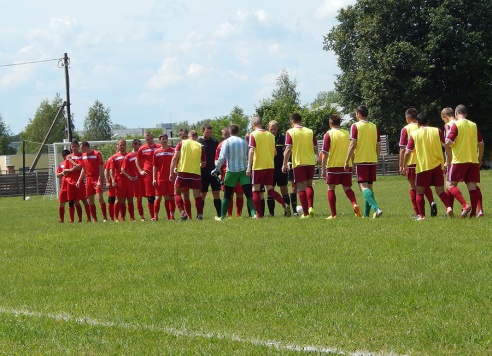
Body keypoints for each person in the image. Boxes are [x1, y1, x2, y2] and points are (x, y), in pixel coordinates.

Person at [403, 113, 453, 220]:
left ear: (417, 123)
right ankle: (448, 208)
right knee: (440, 191)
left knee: (420, 193)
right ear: (428, 122)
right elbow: (446, 146)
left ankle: (422, 216)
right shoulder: (437, 131)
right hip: (437, 165)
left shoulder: (414, 134)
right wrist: (449, 158)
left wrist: (404, 165)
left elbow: (407, 152)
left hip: (423, 166)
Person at [441, 107, 484, 217]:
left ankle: (465, 205)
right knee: (472, 187)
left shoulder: (456, 124)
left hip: (459, 160)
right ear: (466, 113)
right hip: (473, 160)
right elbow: (481, 143)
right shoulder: (473, 125)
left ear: (456, 113)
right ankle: (474, 213)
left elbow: (448, 142)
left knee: (450, 185)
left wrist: (443, 144)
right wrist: (479, 158)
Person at [344, 105, 383, 218]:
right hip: (372, 159)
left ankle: (377, 208)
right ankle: (366, 214)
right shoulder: (374, 127)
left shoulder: (355, 126)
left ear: (358, 114)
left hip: (361, 160)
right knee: (369, 188)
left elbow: (352, 144)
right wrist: (376, 157)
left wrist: (347, 160)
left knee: (363, 187)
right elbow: (378, 145)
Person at [247, 116, 290, 218]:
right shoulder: (270, 136)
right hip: (270, 166)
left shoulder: (253, 135)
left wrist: (249, 166)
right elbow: (275, 152)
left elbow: (251, 150)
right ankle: (284, 204)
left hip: (258, 166)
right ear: (262, 124)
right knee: (270, 190)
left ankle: (259, 215)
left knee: (255, 190)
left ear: (253, 125)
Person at [399, 108, 437, 218]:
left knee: (413, 188)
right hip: (424, 161)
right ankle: (432, 201)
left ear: (407, 119)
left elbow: (402, 149)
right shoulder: (425, 127)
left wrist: (402, 165)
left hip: (411, 161)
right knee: (424, 185)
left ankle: (417, 212)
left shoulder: (405, 129)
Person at [321, 114, 361, 219]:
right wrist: (351, 163)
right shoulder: (347, 133)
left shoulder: (328, 134)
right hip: (346, 165)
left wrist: (323, 169)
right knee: (347, 188)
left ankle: (333, 214)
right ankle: (354, 204)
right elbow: (352, 149)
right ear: (340, 123)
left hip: (333, 165)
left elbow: (324, 153)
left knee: (330, 188)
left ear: (330, 124)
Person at [214, 124, 256, 220]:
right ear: (238, 131)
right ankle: (254, 214)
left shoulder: (227, 142)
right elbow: (249, 154)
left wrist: (217, 168)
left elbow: (222, 157)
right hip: (243, 171)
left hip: (231, 171)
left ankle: (223, 216)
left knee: (227, 194)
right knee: (248, 194)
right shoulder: (244, 142)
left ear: (229, 132)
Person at [282, 113, 317, 218]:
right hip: (310, 162)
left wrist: (284, 163)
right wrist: (314, 156)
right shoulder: (310, 131)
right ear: (301, 120)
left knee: (301, 187)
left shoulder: (290, 132)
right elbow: (315, 147)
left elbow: (288, 149)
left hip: (299, 162)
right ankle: (311, 207)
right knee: (309, 185)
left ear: (292, 121)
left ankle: (305, 213)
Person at [169, 130, 206, 220]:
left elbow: (174, 158)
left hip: (183, 172)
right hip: (196, 173)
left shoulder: (182, 143)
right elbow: (204, 164)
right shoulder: (200, 146)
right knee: (197, 195)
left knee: (177, 193)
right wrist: (196, 165)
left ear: (189, 136)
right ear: (196, 137)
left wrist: (171, 172)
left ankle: (183, 213)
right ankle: (200, 216)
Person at [215, 127, 244, 218]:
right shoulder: (220, 145)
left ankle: (238, 214)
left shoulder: (238, 143)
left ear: (230, 133)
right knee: (228, 194)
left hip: (238, 170)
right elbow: (217, 159)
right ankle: (229, 215)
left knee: (239, 193)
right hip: (226, 172)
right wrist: (219, 172)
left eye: (227, 134)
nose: (226, 136)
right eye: (224, 135)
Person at [76, 141, 107, 222]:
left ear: (86, 147)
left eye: (81, 148)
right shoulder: (83, 155)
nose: (80, 150)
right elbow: (83, 169)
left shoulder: (97, 154)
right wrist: (79, 180)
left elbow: (101, 167)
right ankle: (94, 219)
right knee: (90, 200)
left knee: (100, 197)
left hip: (97, 178)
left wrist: (100, 180)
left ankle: (105, 218)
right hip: (89, 179)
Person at [266, 120, 291, 216]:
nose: (273, 131)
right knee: (270, 191)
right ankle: (271, 213)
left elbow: (287, 151)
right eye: (271, 129)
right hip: (269, 167)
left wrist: (287, 161)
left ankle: (287, 212)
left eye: (274, 129)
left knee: (283, 188)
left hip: (280, 167)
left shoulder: (283, 138)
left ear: (278, 129)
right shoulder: (266, 138)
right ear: (268, 129)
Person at [64, 140, 91, 222]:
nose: (74, 148)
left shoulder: (82, 155)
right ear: (71, 147)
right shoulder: (68, 157)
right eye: (72, 146)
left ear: (78, 147)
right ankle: (72, 220)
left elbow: (80, 167)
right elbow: (65, 171)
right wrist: (72, 169)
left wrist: (73, 165)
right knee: (72, 201)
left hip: (79, 181)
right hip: (70, 182)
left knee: (83, 199)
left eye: (76, 146)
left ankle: (88, 218)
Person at [198, 124, 221, 217]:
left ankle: (220, 215)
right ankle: (200, 215)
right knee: (202, 194)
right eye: (207, 132)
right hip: (203, 172)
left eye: (210, 132)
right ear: (202, 131)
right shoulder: (198, 143)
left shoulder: (215, 142)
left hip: (214, 172)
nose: (209, 134)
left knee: (216, 193)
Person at [136, 131, 161, 220]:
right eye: (147, 139)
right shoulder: (142, 148)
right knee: (151, 196)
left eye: (150, 138)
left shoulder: (159, 147)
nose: (149, 140)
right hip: (148, 174)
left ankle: (169, 216)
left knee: (163, 195)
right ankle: (152, 217)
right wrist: (140, 171)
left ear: (153, 137)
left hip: (159, 173)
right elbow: (137, 160)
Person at [152, 133, 175, 220]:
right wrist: (154, 178)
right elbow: (155, 166)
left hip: (170, 177)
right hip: (160, 178)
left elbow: (176, 163)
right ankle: (155, 216)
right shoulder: (156, 152)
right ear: (160, 140)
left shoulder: (173, 151)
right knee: (158, 197)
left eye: (166, 138)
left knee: (171, 197)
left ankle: (171, 216)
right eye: (163, 139)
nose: (164, 140)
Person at [121, 139, 145, 221]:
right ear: (133, 145)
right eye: (138, 144)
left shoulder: (143, 153)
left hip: (145, 179)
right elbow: (123, 169)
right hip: (137, 180)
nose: (140, 146)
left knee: (151, 197)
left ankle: (154, 216)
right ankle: (141, 217)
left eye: (140, 144)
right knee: (138, 198)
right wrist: (130, 177)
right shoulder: (129, 156)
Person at [109, 139, 132, 222]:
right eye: (120, 145)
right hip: (119, 179)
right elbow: (111, 170)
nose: (122, 146)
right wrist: (113, 180)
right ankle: (116, 218)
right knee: (119, 199)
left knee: (129, 198)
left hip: (129, 180)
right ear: (117, 146)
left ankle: (129, 218)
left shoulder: (129, 155)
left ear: (126, 145)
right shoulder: (114, 157)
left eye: (123, 145)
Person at [56, 149, 71, 222]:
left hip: (71, 185)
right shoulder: (61, 165)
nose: (66, 158)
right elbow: (57, 175)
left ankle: (74, 219)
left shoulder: (72, 163)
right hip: (64, 186)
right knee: (61, 202)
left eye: (67, 156)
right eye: (64, 156)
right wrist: (63, 173)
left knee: (74, 202)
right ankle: (61, 220)